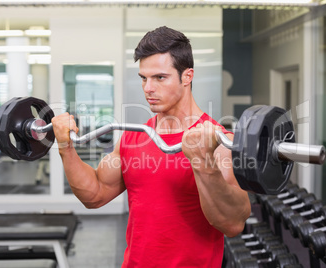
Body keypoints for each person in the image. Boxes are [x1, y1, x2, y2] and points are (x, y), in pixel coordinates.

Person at [52, 26, 251, 267]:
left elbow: (232, 223)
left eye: (159, 77)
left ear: (187, 76)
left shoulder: (218, 141)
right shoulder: (134, 137)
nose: (148, 88)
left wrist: (203, 162)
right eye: (144, 78)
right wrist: (66, 148)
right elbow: (95, 194)